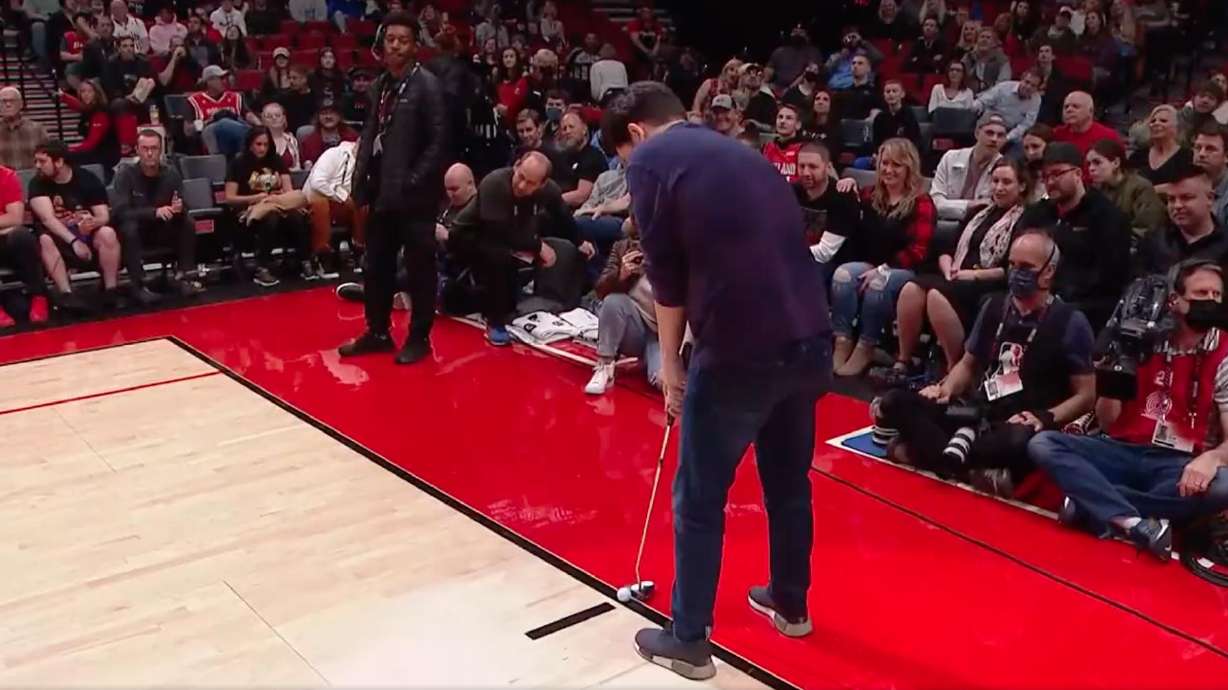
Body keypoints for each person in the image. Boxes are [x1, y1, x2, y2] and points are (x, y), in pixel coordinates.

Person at [602, 81, 830, 681]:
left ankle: (689, 639)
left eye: (624, 160)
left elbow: (666, 273)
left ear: (636, 134)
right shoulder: (741, 153)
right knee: (788, 483)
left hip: (739, 349)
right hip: (809, 336)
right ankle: (790, 604)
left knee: (698, 495)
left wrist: (672, 365)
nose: (631, 172)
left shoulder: (652, 159)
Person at [1028, 259, 1228, 561]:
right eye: (1202, 294)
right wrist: (1119, 363)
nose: (1211, 302)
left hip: (1179, 463)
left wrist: (1211, 459)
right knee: (1044, 443)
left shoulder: (1225, 353)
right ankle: (1134, 522)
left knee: (1224, 484)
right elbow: (1108, 421)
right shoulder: (1140, 339)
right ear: (1175, 300)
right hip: (1122, 450)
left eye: (1217, 296)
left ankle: (1092, 501)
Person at [877, 229, 1095, 495]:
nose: (1016, 273)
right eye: (1012, 265)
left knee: (1019, 441)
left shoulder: (1071, 321)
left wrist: (1046, 417)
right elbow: (968, 364)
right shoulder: (993, 306)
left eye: (1026, 267)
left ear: (1048, 272)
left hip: (1020, 423)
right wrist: (945, 390)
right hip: (976, 412)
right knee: (895, 401)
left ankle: (929, 453)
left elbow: (1086, 395)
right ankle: (968, 466)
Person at [339, 11, 448, 366]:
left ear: (415, 46)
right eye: (390, 39)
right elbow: (372, 136)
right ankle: (378, 331)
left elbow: (439, 143)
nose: (396, 46)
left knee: (419, 268)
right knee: (376, 265)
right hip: (381, 190)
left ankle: (419, 338)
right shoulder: (381, 85)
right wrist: (361, 184)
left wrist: (413, 181)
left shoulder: (428, 85)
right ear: (381, 45)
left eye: (403, 40)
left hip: (415, 196)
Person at [894, 158, 1029, 374]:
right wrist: (949, 269)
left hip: (989, 281)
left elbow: (1009, 269)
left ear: (1021, 186)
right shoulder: (978, 213)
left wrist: (970, 275)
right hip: (956, 274)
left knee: (937, 295)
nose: (999, 188)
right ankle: (904, 360)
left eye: (1006, 182)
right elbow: (947, 249)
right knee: (911, 288)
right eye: (995, 181)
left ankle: (955, 369)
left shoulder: (1026, 219)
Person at [445, 152, 586, 345]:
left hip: (509, 235)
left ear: (542, 184)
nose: (521, 186)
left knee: (541, 252)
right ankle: (495, 321)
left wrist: (580, 241)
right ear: (517, 165)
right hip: (469, 236)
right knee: (499, 255)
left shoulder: (549, 190)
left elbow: (562, 214)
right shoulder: (495, 182)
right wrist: (538, 247)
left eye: (530, 183)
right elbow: (498, 230)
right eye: (521, 177)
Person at [832, 138, 935, 376]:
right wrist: (845, 182)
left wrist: (884, 268)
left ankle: (867, 344)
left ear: (909, 168)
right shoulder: (869, 195)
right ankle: (842, 340)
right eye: (885, 163)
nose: (888, 170)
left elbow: (919, 251)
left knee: (878, 283)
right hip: (871, 263)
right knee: (843, 274)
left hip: (905, 268)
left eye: (896, 165)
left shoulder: (921, 202)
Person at [1018, 142, 1131, 328]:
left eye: (1057, 173)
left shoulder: (1107, 216)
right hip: (1037, 294)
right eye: (1046, 176)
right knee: (991, 303)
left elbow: (1109, 279)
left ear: (1078, 174)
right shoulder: (1038, 213)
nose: (1050, 181)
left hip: (1085, 303)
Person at [29, 140, 126, 309]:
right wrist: (75, 242)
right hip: (58, 237)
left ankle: (111, 290)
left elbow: (103, 215)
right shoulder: (37, 183)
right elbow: (48, 219)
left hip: (86, 233)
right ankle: (66, 294)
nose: (37, 166)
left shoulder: (87, 178)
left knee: (107, 233)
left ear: (59, 162)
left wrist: (93, 221)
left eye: (42, 161)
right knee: (45, 239)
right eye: (36, 161)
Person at [111, 129, 202, 298]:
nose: (150, 153)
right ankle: (138, 285)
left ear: (161, 150)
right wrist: (154, 212)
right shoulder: (126, 174)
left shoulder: (171, 173)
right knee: (129, 228)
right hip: (137, 232)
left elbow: (184, 204)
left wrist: (179, 208)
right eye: (145, 148)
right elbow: (120, 212)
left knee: (186, 220)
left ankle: (185, 274)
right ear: (137, 150)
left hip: (162, 230)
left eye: (154, 148)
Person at [584, 216, 661, 394]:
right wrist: (621, 275)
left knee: (662, 383)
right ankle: (605, 365)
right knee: (613, 301)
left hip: (666, 337)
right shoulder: (623, 247)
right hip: (636, 325)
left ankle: (658, 363)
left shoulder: (681, 252)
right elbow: (601, 290)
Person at [224, 126, 308, 288]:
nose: (262, 148)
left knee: (297, 216)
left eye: (266, 145)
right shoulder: (238, 163)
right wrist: (256, 197)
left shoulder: (276, 160)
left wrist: (280, 198)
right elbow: (229, 198)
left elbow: (288, 190)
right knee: (270, 217)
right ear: (250, 144)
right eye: (258, 144)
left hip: (276, 203)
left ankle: (304, 261)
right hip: (249, 208)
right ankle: (262, 267)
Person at [1134, 163, 1228, 276]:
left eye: (1186, 198)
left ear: (1210, 198)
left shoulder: (1225, 246)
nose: (1177, 206)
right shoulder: (1154, 242)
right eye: (1171, 199)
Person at [794, 141, 861, 282]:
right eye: (801, 166)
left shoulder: (843, 197)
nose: (805, 172)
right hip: (799, 256)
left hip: (834, 263)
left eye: (813, 167)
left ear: (828, 167)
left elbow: (825, 253)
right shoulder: (792, 190)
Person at [300, 139, 365, 277]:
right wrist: (341, 196)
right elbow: (317, 182)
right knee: (320, 204)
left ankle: (360, 250)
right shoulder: (334, 154)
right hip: (316, 199)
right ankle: (322, 256)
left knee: (363, 204)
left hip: (341, 203)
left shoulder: (368, 163)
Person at [1086, 138, 1166, 243]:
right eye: (1089, 164)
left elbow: (1146, 228)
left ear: (1115, 162)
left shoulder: (1140, 187)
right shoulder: (1095, 191)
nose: (1091, 168)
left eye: (1097, 163)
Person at [929, 112, 1007, 220]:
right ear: (977, 133)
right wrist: (969, 205)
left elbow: (991, 209)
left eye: (1000, 135)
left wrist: (950, 205)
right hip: (942, 221)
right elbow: (935, 202)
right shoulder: (950, 157)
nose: (994, 139)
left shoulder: (1006, 168)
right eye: (989, 133)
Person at [0, 163, 46, 327]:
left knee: (22, 236)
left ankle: (38, 296)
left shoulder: (6, 176)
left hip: (6, 236)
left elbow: (15, 218)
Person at [188, 65, 259, 157]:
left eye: (225, 78)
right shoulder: (195, 101)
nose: (225, 81)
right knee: (224, 122)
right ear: (209, 81)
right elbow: (188, 131)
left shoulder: (235, 97)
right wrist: (210, 120)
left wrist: (260, 126)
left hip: (237, 138)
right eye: (220, 78)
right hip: (212, 139)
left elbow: (248, 115)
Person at [59, 79, 120, 171]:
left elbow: (91, 143)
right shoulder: (89, 110)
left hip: (105, 154)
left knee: (66, 157)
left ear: (97, 93)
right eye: (83, 91)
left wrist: (69, 149)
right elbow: (78, 105)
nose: (86, 94)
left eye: (90, 91)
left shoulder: (100, 113)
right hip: (96, 151)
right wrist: (63, 96)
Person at [1129, 105, 1194, 188]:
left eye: (1163, 121)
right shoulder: (1137, 156)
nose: (1156, 123)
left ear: (1176, 127)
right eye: (1152, 121)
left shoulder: (1187, 156)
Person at [552, 111, 607, 209]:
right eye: (564, 128)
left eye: (571, 127)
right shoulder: (563, 156)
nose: (567, 131)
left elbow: (581, 196)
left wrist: (552, 201)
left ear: (584, 129)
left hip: (584, 212)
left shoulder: (592, 156)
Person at [972, 69, 1042, 146]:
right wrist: (974, 108)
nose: (1028, 87)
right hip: (989, 122)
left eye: (1033, 85)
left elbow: (1026, 124)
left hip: (1011, 132)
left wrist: (1007, 138)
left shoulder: (1036, 100)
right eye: (1027, 82)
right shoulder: (1004, 87)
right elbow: (983, 102)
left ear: (1037, 89)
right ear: (1021, 80)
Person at [1052, 91, 1122, 164]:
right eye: (1066, 107)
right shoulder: (1057, 134)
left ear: (1090, 111)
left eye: (1075, 106)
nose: (1069, 110)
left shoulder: (1108, 136)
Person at [0, 87, 49, 171]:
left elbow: (48, 157)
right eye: (4, 101)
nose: (8, 104)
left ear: (21, 104)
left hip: (32, 180)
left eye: (12, 101)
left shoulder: (37, 129)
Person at [300, 98, 359, 168]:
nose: (328, 116)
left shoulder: (353, 137)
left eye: (332, 113)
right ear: (318, 117)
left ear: (339, 115)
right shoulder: (308, 142)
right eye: (324, 113)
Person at [767, 24, 822, 94]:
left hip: (800, 90)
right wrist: (764, 84)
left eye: (801, 31)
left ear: (807, 35)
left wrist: (789, 89)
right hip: (777, 88)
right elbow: (769, 70)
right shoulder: (780, 51)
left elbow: (809, 74)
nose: (798, 33)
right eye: (795, 31)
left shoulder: (813, 52)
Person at [1192, 123, 1228, 226]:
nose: (1201, 154)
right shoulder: (1185, 184)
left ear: (1226, 156)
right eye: (1198, 148)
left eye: (1210, 149)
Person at [761, 104, 807, 183]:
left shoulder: (805, 149)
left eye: (789, 118)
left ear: (798, 125)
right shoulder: (766, 148)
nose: (782, 121)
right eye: (780, 117)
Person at [962, 26, 1011, 93]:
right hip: (968, 95)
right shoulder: (968, 57)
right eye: (982, 37)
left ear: (994, 43)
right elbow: (960, 77)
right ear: (977, 41)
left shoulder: (1002, 60)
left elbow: (1003, 85)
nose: (984, 40)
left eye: (988, 38)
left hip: (992, 98)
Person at [261, 102, 301, 172]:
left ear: (284, 118)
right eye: (269, 116)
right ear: (263, 120)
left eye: (277, 115)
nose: (274, 118)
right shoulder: (258, 140)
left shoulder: (292, 140)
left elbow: (297, 166)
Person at [1022, 123, 1052, 202]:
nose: (1030, 152)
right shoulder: (1021, 174)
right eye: (1026, 148)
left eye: (1035, 146)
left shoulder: (1057, 176)